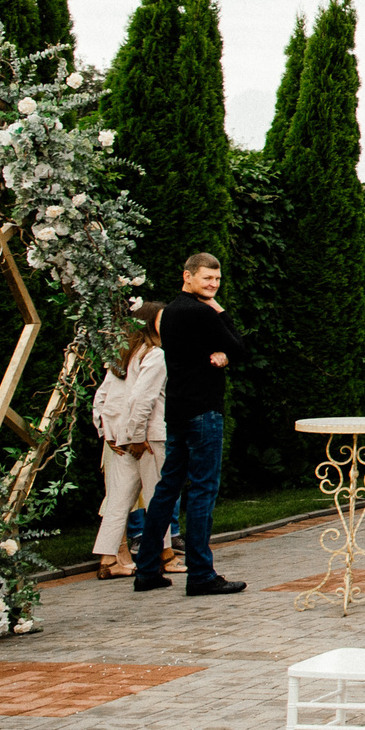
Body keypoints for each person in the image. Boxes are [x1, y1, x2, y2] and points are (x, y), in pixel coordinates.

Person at [134, 253, 246, 596]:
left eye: (217, 280)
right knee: (202, 490)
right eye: (207, 279)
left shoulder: (169, 313)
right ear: (188, 276)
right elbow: (237, 345)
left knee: (167, 488)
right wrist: (220, 311)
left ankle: (147, 570)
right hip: (202, 411)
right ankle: (200, 573)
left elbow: (212, 350)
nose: (213, 285)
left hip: (178, 412)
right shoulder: (201, 311)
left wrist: (221, 353)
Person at [93, 303, 171, 578]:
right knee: (157, 498)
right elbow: (142, 399)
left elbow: (101, 400)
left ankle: (107, 559)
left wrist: (109, 434)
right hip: (147, 438)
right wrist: (136, 437)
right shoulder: (155, 355)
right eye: (162, 320)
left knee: (118, 500)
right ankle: (162, 557)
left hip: (120, 439)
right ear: (149, 324)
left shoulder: (122, 355)